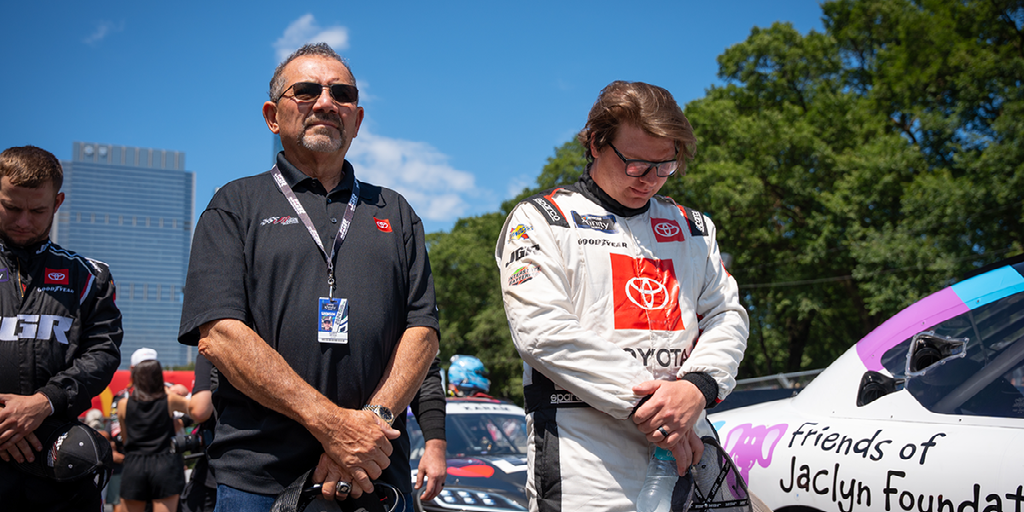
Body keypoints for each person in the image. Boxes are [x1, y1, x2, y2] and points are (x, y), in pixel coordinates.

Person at [178, 42, 439, 512]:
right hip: (259, 480)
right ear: (272, 116)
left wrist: (368, 426)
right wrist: (332, 426)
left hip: (377, 475)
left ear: (357, 119)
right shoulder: (233, 206)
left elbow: (422, 333)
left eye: (342, 93)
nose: (325, 102)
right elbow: (220, 335)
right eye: (305, 90)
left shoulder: (396, 211)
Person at [495, 81, 750, 512]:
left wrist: (698, 387)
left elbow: (727, 315)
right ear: (596, 143)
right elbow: (542, 332)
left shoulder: (694, 228)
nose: (649, 179)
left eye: (664, 165)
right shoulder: (540, 220)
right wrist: (657, 410)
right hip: (586, 453)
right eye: (634, 164)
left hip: (690, 437)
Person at [0, 145, 124, 511]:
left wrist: (44, 403)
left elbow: (102, 354)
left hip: (57, 464)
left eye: (37, 210)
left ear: (57, 203)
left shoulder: (89, 277)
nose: (24, 220)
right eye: (11, 207)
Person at [117, 359, 191, 512]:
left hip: (134, 464)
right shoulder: (169, 400)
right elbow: (197, 409)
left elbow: (125, 439)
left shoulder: (123, 405)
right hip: (165, 464)